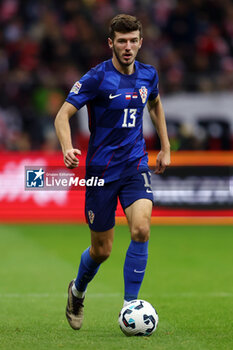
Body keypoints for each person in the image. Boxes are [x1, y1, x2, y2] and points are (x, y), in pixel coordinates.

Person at [54, 14, 170, 330]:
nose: (128, 46)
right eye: (122, 41)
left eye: (133, 40)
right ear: (111, 44)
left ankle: (130, 304)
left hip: (135, 164)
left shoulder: (149, 75)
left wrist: (165, 146)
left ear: (141, 42)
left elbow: (155, 104)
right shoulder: (96, 78)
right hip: (101, 170)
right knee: (101, 250)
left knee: (141, 229)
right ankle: (77, 291)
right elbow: (62, 116)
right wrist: (67, 147)